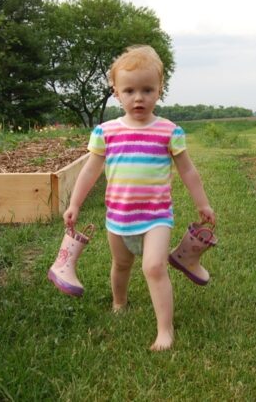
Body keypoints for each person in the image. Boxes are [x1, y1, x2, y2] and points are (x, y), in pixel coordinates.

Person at [63, 44, 217, 351]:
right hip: (118, 217)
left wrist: (203, 203)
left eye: (147, 89)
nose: (139, 98)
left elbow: (188, 171)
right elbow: (90, 171)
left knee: (154, 267)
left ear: (160, 89)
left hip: (156, 217)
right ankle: (119, 303)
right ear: (116, 93)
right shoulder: (105, 132)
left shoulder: (169, 131)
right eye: (130, 90)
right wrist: (75, 203)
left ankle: (165, 330)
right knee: (121, 265)